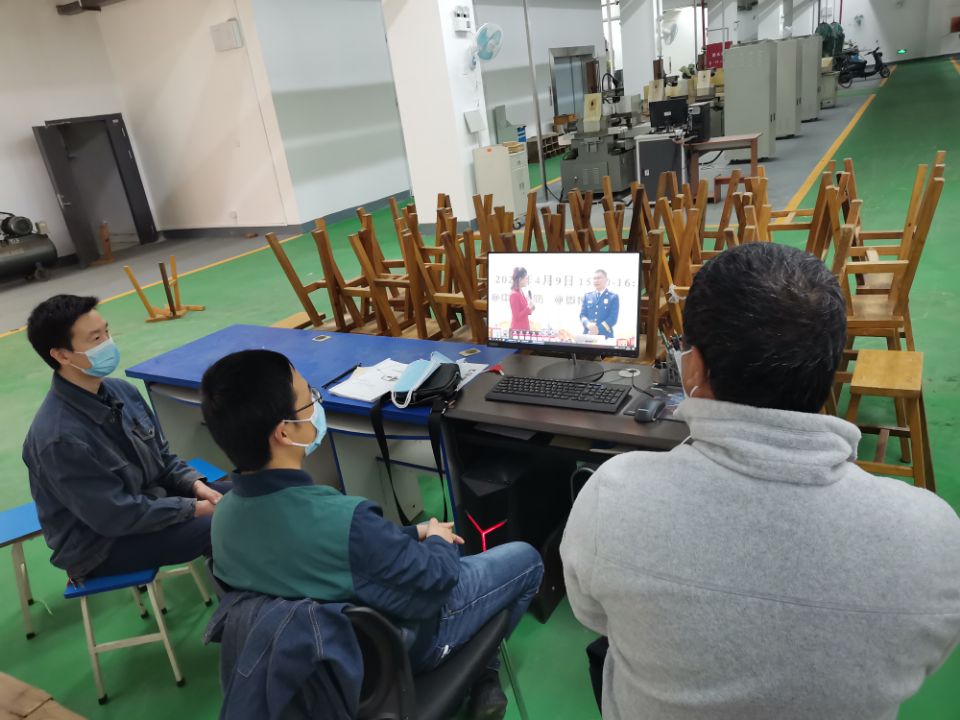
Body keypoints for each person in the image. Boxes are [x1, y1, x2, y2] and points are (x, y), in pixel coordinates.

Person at [561, 243, 960, 720]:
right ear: (830, 367)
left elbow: (593, 615)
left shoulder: (613, 495)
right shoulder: (932, 534)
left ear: (694, 367)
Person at [200, 350, 544, 720]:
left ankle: (482, 672)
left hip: (318, 666)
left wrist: (415, 532)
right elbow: (437, 581)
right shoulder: (344, 520)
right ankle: (482, 671)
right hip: (395, 653)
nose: (316, 403)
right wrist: (438, 541)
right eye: (308, 398)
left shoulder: (223, 520)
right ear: (284, 431)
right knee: (526, 560)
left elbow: (337, 554)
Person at [22, 295, 228, 581]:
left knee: (249, 494)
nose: (108, 343)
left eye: (106, 332)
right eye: (96, 338)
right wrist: (195, 508)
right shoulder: (59, 439)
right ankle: (247, 602)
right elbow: (115, 516)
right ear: (62, 355)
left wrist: (195, 485)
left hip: (150, 503)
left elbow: (164, 459)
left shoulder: (122, 391)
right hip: (101, 545)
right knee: (225, 525)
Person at [579, 269, 619, 338]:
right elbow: (582, 315)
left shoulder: (613, 297)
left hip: (605, 335)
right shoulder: (587, 296)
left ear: (606, 280)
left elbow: (613, 318)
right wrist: (588, 324)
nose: (596, 281)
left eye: (599, 278)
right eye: (594, 278)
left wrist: (598, 329)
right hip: (588, 334)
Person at [509, 266, 535, 332]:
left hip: (524, 329)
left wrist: (531, 308)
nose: (527, 280)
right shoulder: (514, 294)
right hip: (518, 331)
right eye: (526, 278)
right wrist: (528, 308)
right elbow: (516, 316)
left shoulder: (521, 292)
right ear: (520, 279)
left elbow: (524, 312)